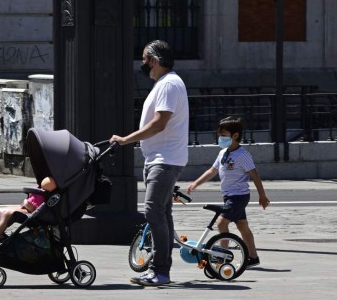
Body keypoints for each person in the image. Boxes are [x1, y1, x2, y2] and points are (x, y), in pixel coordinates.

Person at [110, 40, 189, 287]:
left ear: (154, 60)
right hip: (160, 158)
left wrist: (126, 140)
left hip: (164, 160)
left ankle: (160, 270)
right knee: (162, 213)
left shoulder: (168, 85)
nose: (142, 64)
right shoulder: (166, 84)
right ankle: (162, 268)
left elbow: (159, 123)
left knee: (153, 211)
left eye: (144, 59)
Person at [186, 116, 270, 268]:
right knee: (242, 226)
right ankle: (253, 257)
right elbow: (212, 170)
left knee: (221, 222)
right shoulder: (223, 153)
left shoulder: (242, 155)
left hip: (238, 196)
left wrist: (262, 196)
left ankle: (222, 256)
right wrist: (196, 183)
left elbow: (255, 176)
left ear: (235, 135)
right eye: (219, 135)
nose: (220, 138)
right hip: (229, 196)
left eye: (223, 135)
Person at [0, 176, 57, 252]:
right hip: (28, 209)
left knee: (7, 214)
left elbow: (35, 209)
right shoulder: (41, 191)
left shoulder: (49, 196)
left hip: (35, 214)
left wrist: (26, 203)